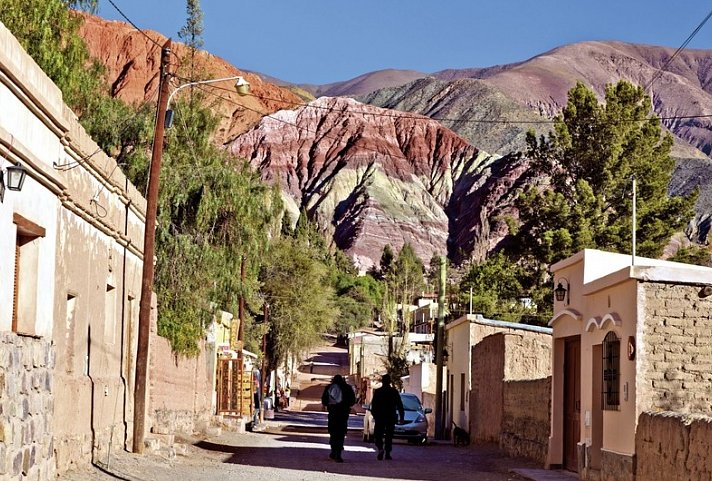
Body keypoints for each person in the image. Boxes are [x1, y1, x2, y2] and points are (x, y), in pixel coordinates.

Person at [321, 374, 356, 462]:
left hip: (333, 413)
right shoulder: (347, 388)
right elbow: (352, 401)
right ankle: (338, 453)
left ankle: (333, 451)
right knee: (341, 433)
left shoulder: (330, 387)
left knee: (333, 432)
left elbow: (324, 400)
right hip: (343, 414)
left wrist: (330, 404)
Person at [370, 374, 404, 461]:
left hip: (380, 417)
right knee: (389, 436)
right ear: (389, 382)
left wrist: (375, 415)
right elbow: (400, 405)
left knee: (378, 435)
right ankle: (387, 453)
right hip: (390, 417)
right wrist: (401, 417)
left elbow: (373, 405)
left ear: (383, 382)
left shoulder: (378, 392)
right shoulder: (394, 392)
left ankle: (380, 448)